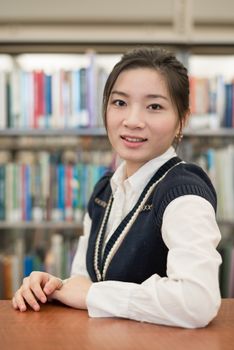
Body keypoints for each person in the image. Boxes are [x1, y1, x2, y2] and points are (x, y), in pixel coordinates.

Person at [12, 46, 222, 328]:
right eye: (120, 103)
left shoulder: (183, 193)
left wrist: (92, 294)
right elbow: (85, 281)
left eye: (155, 106)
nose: (132, 121)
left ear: (181, 121)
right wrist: (55, 287)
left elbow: (198, 301)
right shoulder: (104, 192)